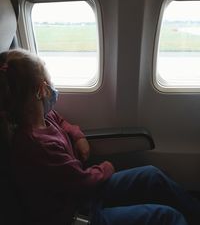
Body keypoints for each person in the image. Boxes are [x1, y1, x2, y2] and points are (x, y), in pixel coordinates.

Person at [0, 48, 199, 225]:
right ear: (40, 90)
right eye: (48, 82)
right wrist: (107, 168)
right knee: (167, 217)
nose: (52, 87)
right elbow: (82, 182)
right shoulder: (36, 146)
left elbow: (61, 121)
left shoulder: (42, 116)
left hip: (81, 194)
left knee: (152, 175)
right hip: (75, 215)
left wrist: (78, 136)